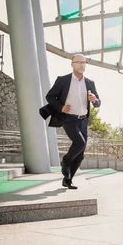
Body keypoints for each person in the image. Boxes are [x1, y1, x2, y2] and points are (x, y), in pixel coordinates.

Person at [40, 54, 101, 189]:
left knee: (80, 156)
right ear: (72, 64)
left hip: (83, 120)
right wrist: (61, 107)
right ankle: (66, 161)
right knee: (80, 143)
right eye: (78, 62)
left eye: (84, 62)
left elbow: (98, 103)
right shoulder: (63, 80)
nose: (81, 65)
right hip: (69, 119)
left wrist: (94, 100)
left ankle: (68, 179)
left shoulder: (90, 83)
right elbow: (50, 96)